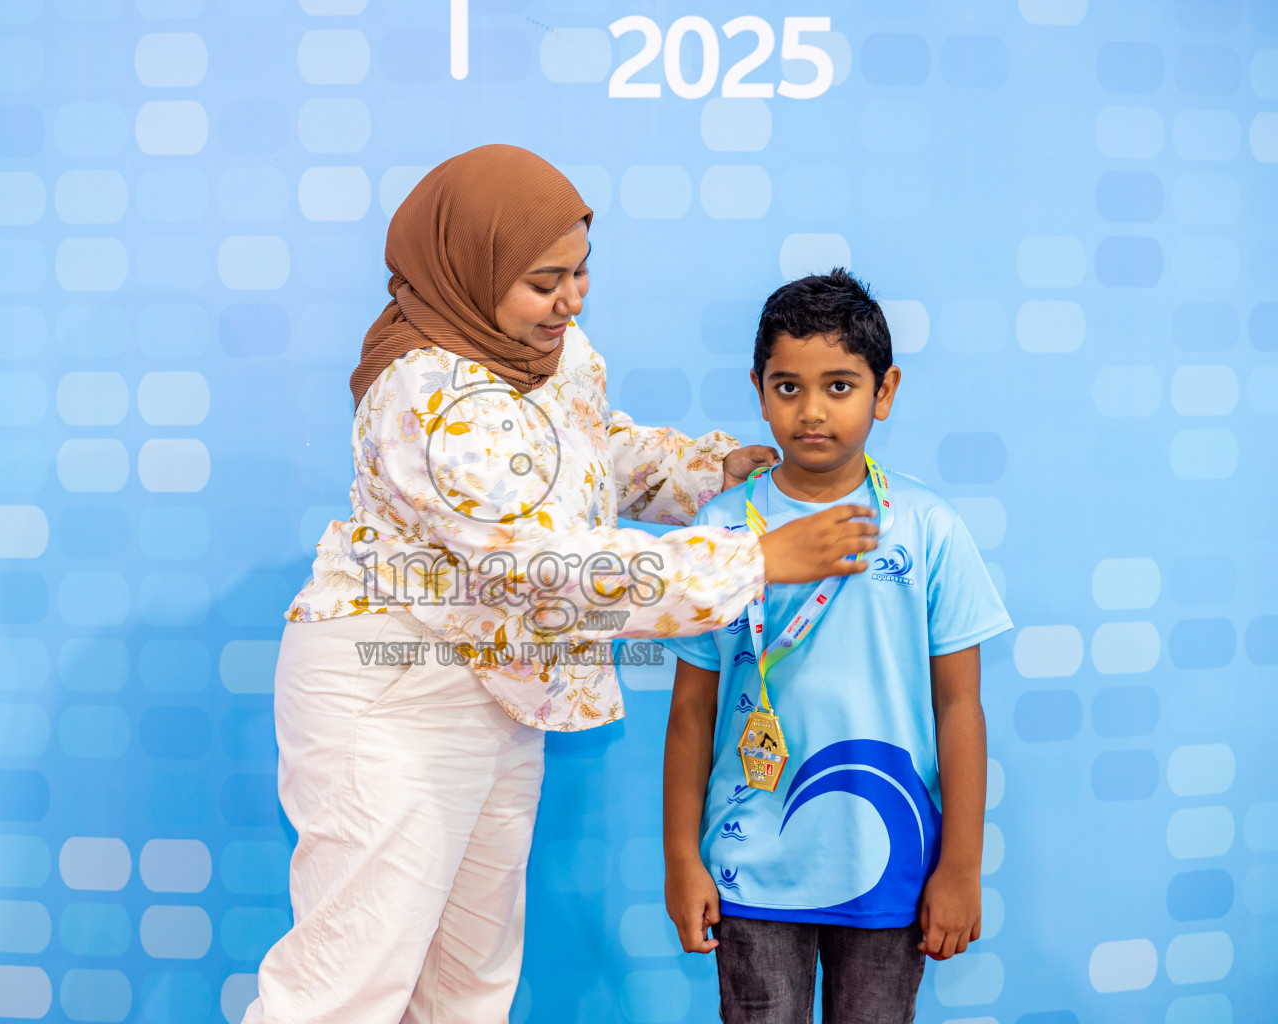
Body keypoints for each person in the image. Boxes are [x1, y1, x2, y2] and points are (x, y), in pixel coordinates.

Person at [242, 146, 883, 1024]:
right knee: (348, 982)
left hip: (501, 687)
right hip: (395, 690)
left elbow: (579, 452)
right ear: (474, 268)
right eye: (547, 281)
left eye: (582, 272)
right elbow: (551, 570)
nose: (573, 299)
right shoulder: (428, 401)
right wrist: (752, 560)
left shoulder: (543, 349)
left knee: (469, 983)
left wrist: (702, 470)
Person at [660, 269, 1014, 1024]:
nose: (812, 411)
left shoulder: (928, 528)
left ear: (884, 392)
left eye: (840, 387)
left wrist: (961, 867)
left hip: (892, 867)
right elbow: (692, 710)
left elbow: (961, 706)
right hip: (749, 868)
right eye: (788, 387)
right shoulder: (721, 533)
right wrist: (682, 860)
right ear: (757, 387)